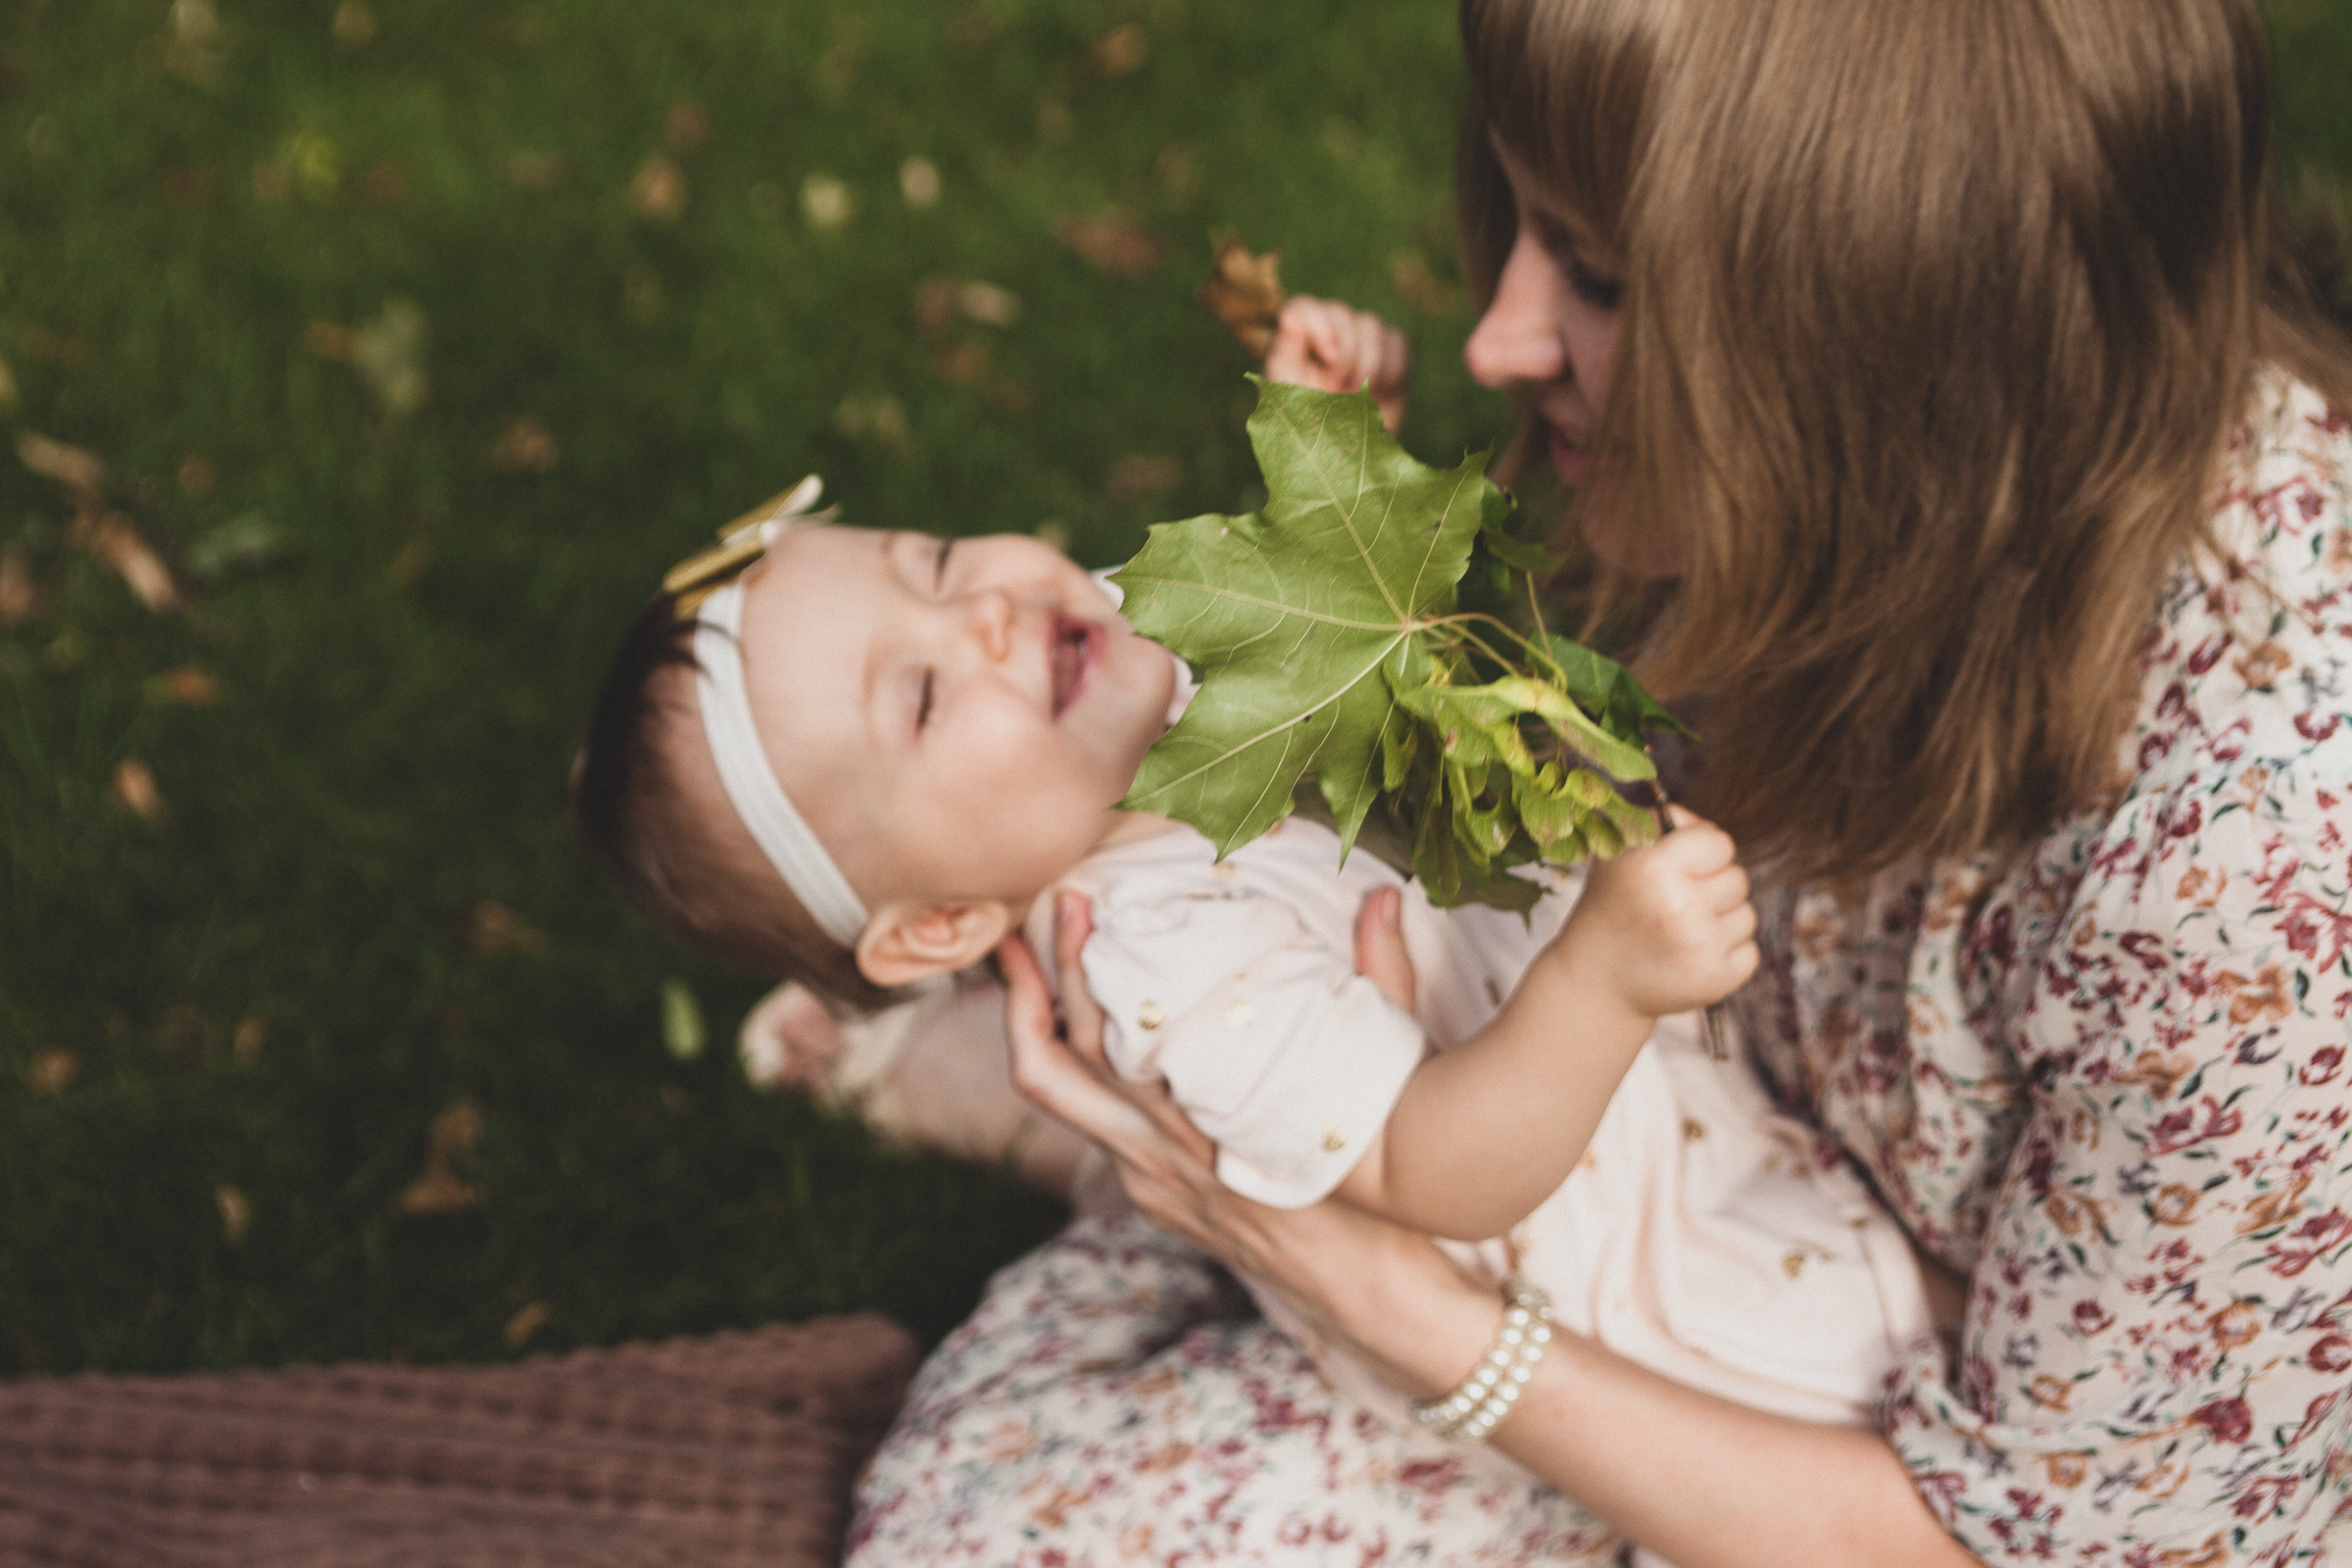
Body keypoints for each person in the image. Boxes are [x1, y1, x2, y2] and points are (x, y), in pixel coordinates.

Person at [843, 0, 2352, 1564]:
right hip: (1680, 1153)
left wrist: (1395, 1303)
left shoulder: (2263, 869)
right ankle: (1133, 1146)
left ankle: (1122, 1162)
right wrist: (1365, 546)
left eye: (1601, 274)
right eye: (1528, 220)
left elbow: (2055, 1546)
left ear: (1894, 328)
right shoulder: (1926, 476)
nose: (1497, 338)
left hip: (1856, 1422)